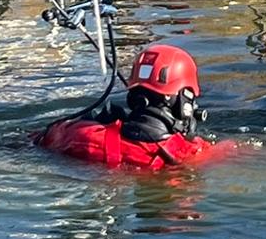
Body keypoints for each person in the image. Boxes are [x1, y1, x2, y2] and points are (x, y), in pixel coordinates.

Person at [35, 44, 218, 171]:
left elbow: (39, 138)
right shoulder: (195, 154)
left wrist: (90, 120)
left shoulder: (82, 137)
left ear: (133, 96)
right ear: (183, 103)